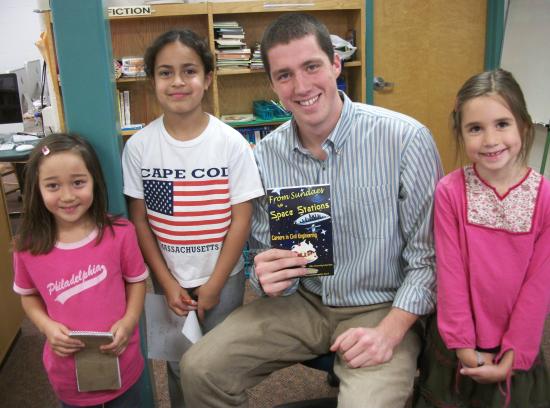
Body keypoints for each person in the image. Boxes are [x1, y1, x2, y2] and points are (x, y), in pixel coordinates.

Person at [181, 13, 443, 407]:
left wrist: (391, 331)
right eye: (284, 75)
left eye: (312, 66)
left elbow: (431, 260)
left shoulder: (405, 140)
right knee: (198, 368)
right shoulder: (266, 155)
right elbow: (268, 258)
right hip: (304, 302)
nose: (301, 86)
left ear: (336, 64)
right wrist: (267, 276)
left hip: (382, 306)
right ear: (271, 83)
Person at [121, 29, 264, 407]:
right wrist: (165, 282)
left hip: (223, 279)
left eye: (189, 71)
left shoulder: (231, 143)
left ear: (208, 79)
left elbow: (242, 218)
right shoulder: (138, 147)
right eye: (165, 72)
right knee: (178, 361)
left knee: (222, 364)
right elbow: (140, 221)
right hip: (168, 278)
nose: (178, 81)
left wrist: (216, 284)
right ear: (152, 81)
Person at [415, 69, 550, 408]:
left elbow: (539, 285)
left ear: (523, 124)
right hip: (459, 343)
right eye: (476, 128)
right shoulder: (450, 192)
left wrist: (515, 352)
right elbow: (451, 273)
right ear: (461, 133)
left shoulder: (545, 197)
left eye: (502, 124)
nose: (490, 140)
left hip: (516, 346)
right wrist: (463, 345)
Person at [12, 133, 148, 407]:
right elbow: (28, 296)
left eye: (78, 183)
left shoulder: (120, 233)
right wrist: (46, 326)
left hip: (121, 359)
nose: (67, 196)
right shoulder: (27, 246)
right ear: (36, 189)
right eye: (52, 186)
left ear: (94, 182)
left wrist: (130, 320)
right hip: (66, 371)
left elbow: (136, 281)